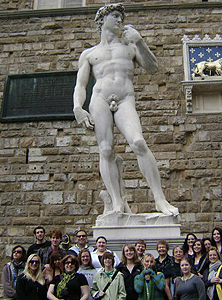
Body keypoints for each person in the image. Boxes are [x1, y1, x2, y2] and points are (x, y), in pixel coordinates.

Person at [73, 3, 178, 217]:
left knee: (138, 142)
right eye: (115, 16)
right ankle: (116, 202)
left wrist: (139, 41)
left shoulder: (130, 47)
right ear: (102, 20)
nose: (120, 20)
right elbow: (80, 85)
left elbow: (152, 67)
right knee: (106, 150)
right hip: (99, 99)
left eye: (121, 16)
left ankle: (159, 198)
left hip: (125, 99)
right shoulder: (89, 54)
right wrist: (77, 107)